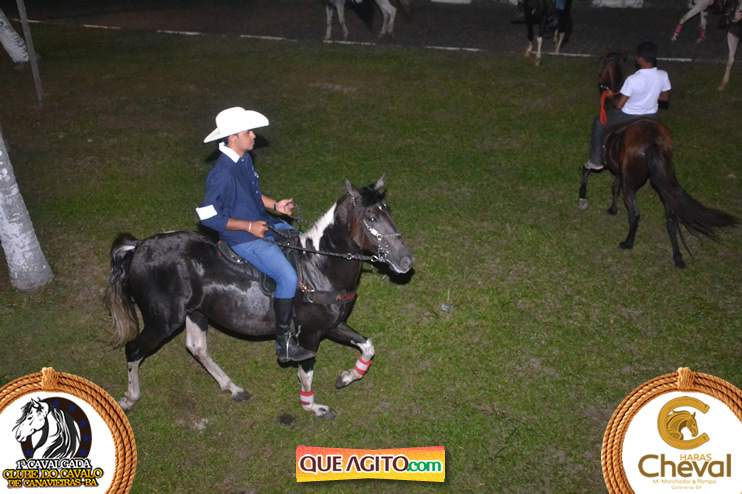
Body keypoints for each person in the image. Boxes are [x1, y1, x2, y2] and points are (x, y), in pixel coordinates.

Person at [196, 107, 316, 363]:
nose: (254, 136)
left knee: (301, 242)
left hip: (263, 222)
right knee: (287, 276)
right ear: (233, 138)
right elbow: (207, 216)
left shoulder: (244, 159)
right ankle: (284, 344)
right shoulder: (222, 174)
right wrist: (248, 227)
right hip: (243, 238)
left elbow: (252, 195)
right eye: (248, 132)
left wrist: (276, 205)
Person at [585, 41, 671, 171]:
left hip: (628, 115)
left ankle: (596, 161)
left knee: (598, 123)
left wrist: (611, 97)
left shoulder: (632, 79)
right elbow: (665, 98)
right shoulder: (663, 75)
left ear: (640, 59)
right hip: (652, 116)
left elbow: (619, 105)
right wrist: (651, 93)